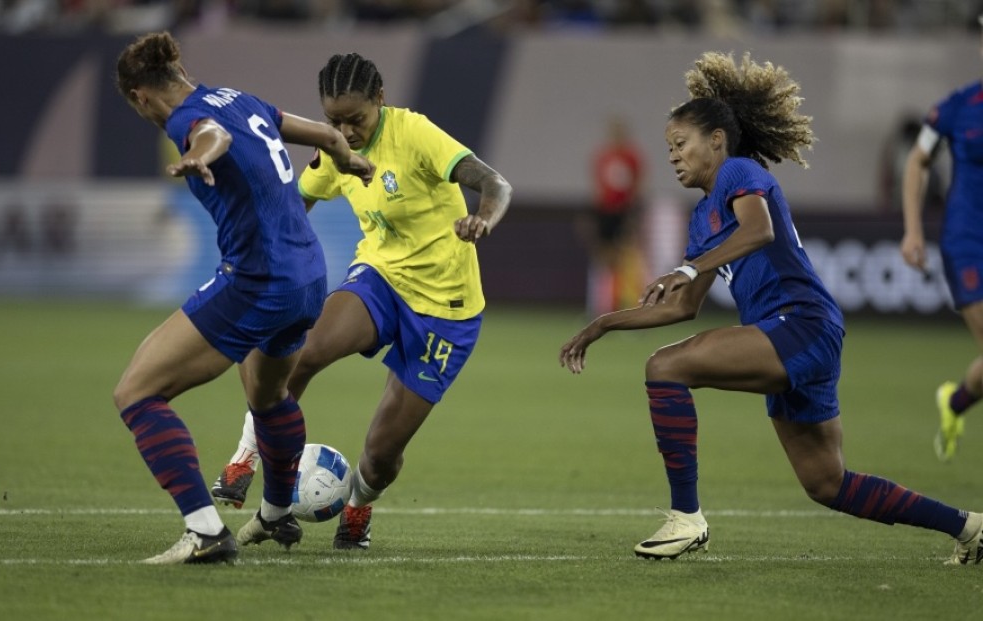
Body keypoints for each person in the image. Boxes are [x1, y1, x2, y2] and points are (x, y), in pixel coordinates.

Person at [559, 51, 983, 564]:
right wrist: (605, 323)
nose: (672, 155)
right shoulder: (702, 219)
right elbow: (683, 307)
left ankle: (686, 517)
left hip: (800, 324)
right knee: (828, 484)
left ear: (716, 141)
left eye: (680, 143)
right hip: (797, 337)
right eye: (668, 147)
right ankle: (970, 528)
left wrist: (690, 267)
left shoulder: (738, 172)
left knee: (665, 367)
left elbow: (760, 231)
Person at [209, 52, 512, 550]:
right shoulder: (333, 150)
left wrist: (484, 218)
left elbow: (495, 182)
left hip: (447, 312)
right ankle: (245, 459)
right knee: (297, 352)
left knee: (381, 452)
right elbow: (295, 204)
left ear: (380, 99)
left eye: (356, 119)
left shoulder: (414, 134)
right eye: (333, 121)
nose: (345, 131)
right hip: (380, 278)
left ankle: (358, 506)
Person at [113, 32, 374, 564]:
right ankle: (277, 514)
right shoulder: (240, 98)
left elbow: (213, 137)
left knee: (136, 392)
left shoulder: (187, 120)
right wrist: (350, 160)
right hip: (307, 278)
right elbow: (324, 133)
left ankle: (205, 531)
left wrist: (197, 157)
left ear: (140, 96)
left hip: (258, 280)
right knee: (269, 396)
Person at [901, 15, 983, 462]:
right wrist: (913, 229)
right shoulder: (958, 106)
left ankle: (954, 403)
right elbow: (917, 161)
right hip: (968, 241)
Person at [586, 114, 649, 318]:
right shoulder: (603, 156)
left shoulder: (632, 157)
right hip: (605, 212)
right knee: (605, 259)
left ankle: (633, 308)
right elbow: (598, 188)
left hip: (624, 211)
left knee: (627, 259)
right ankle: (605, 307)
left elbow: (638, 185)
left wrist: (633, 214)